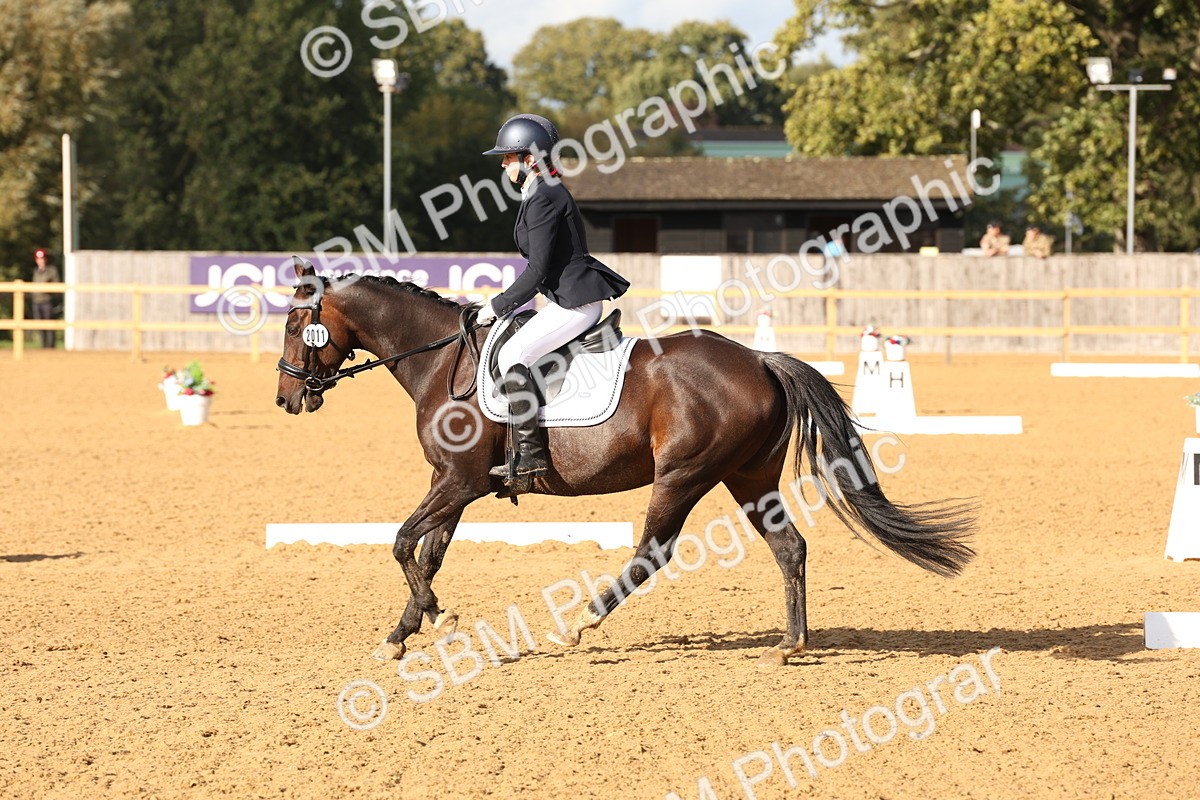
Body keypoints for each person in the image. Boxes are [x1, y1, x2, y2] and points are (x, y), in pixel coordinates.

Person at [475, 114, 630, 492]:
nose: (502, 164)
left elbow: (538, 269)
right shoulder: (542, 190)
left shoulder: (545, 195)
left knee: (513, 357)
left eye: (508, 157)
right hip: (564, 298)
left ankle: (529, 458)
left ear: (530, 158)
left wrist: (498, 305)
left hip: (574, 303)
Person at [31, 248, 60, 349]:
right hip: (36, 301)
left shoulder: (51, 271)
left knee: (49, 324)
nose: (40, 260)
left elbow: (56, 285)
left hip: (47, 301)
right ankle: (43, 346)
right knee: (39, 325)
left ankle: (50, 346)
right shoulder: (35, 271)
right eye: (38, 258)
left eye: (42, 258)